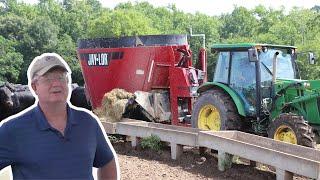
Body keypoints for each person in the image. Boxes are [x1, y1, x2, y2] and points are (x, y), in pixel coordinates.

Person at [0, 53, 119, 179]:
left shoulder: (88, 122)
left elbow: (107, 162)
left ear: (68, 82)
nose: (56, 83)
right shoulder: (13, 130)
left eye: (61, 77)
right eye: (48, 78)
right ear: (34, 87)